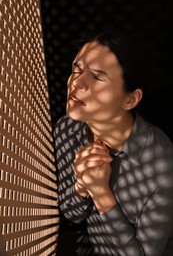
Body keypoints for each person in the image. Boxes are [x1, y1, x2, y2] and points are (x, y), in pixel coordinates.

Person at [54, 31, 173, 256]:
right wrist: (80, 187)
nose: (77, 83)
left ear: (130, 100)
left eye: (98, 77)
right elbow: (72, 214)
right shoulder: (67, 128)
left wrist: (101, 193)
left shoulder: (162, 166)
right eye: (76, 70)